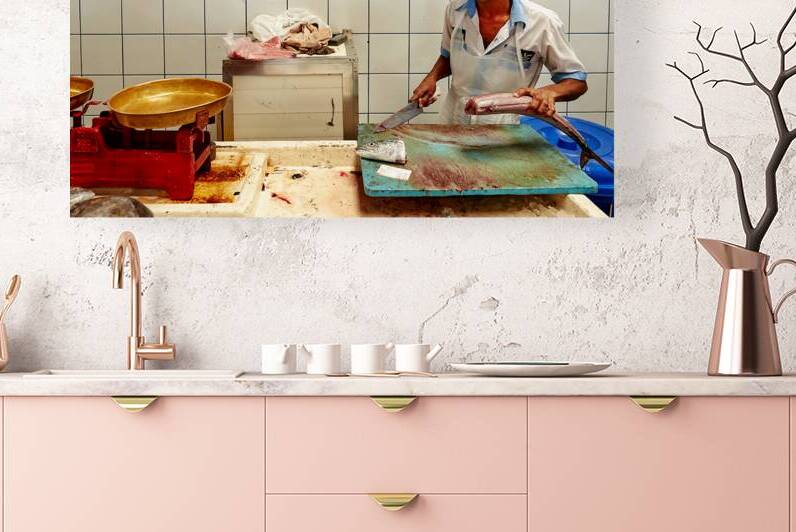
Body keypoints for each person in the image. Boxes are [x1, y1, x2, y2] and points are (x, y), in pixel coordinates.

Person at [411, 0, 588, 124]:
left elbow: (576, 83)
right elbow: (449, 55)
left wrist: (549, 92)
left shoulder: (542, 22)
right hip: (453, 119)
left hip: (505, 128)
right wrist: (432, 78)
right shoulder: (455, 10)